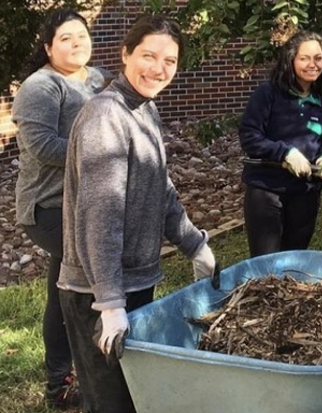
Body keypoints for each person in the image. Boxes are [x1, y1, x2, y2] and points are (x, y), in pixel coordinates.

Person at [56, 14, 216, 413]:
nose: (158, 69)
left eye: (170, 60)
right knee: (111, 404)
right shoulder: (106, 117)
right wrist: (109, 304)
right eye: (148, 55)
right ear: (125, 53)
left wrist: (194, 244)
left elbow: (159, 190)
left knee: (136, 398)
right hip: (97, 292)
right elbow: (100, 216)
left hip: (134, 284)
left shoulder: (144, 110)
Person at [11, 8, 112, 409]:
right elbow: (43, 147)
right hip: (49, 207)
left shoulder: (98, 79)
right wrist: (105, 152)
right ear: (49, 46)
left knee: (63, 292)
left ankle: (61, 381)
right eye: (66, 38)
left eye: (81, 35)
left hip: (85, 204)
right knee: (85, 284)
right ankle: (80, 378)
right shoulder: (41, 87)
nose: (76, 43)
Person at [239, 30, 322, 257]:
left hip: (305, 192)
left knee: (294, 261)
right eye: (304, 58)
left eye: (318, 58)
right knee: (265, 264)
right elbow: (250, 136)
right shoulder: (268, 94)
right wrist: (284, 153)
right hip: (266, 191)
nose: (312, 64)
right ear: (291, 60)